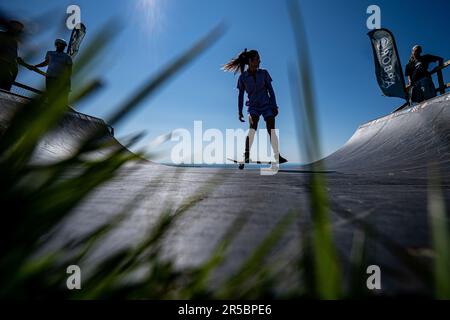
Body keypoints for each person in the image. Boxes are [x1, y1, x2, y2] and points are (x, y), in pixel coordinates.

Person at [223, 49, 287, 164]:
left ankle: (277, 156)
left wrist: (274, 106)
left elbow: (271, 91)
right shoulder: (243, 78)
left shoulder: (264, 73)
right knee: (253, 127)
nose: (260, 61)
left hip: (266, 105)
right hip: (253, 106)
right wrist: (239, 112)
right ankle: (247, 155)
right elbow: (241, 96)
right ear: (250, 61)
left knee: (271, 128)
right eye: (257, 59)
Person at [34, 38, 72, 105]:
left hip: (59, 79)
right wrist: (35, 66)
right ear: (56, 44)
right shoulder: (50, 53)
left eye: (64, 45)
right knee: (50, 95)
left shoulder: (67, 57)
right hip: (49, 77)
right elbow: (46, 63)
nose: (63, 47)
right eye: (61, 45)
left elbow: (69, 70)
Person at [0, 19, 24, 91]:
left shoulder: (14, 42)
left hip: (9, 71)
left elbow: (13, 55)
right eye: (15, 28)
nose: (18, 31)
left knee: (5, 92)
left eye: (19, 30)